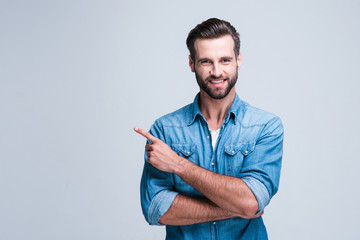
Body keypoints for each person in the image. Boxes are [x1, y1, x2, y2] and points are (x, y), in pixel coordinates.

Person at [134, 18, 284, 240]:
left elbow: (251, 201)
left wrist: (177, 164)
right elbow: (156, 208)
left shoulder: (265, 127)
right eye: (206, 62)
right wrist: (236, 209)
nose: (216, 71)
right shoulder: (165, 130)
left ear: (238, 60)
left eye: (225, 60)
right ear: (191, 63)